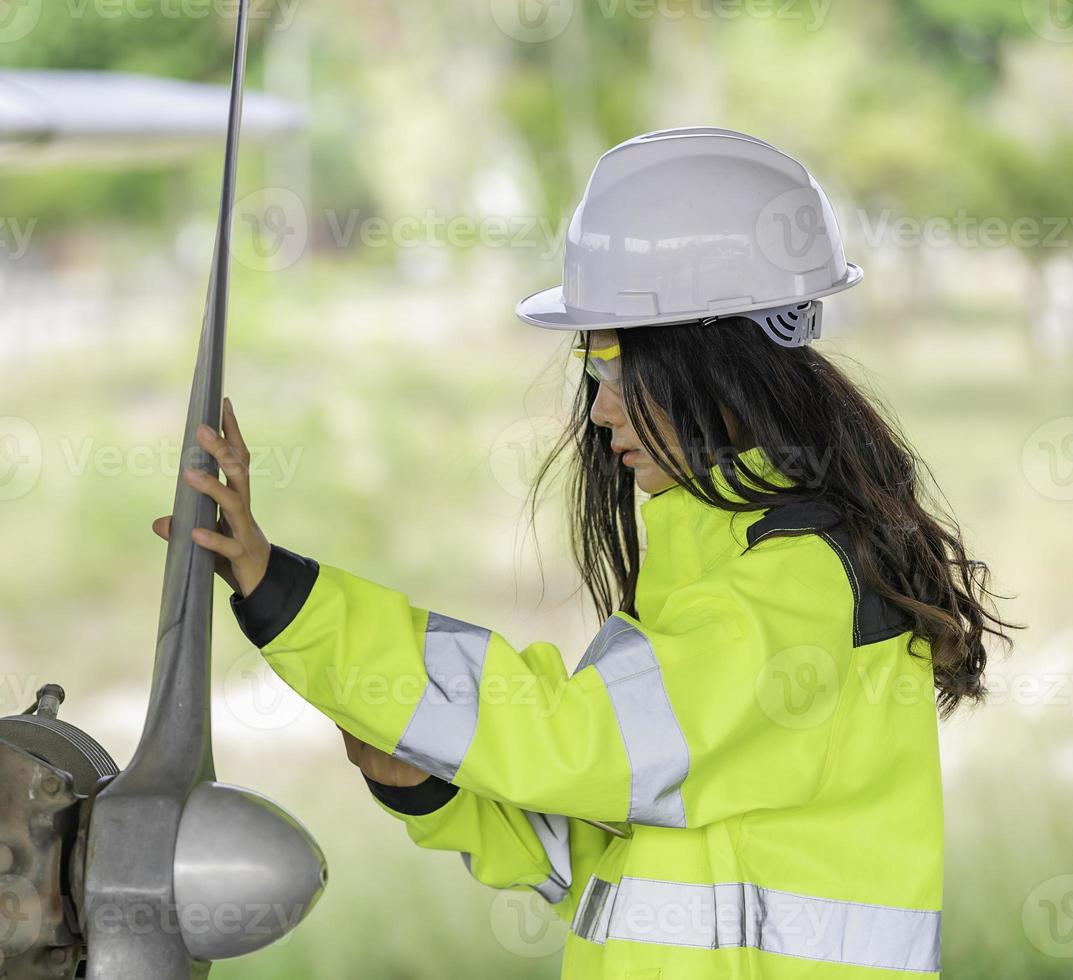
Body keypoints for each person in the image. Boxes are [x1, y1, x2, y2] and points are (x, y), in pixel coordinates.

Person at [152, 128, 1015, 978]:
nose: (599, 415)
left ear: (714, 363)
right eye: (590, 371)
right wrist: (430, 788)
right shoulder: (717, 573)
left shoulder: (797, 584)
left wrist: (292, 602)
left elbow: (577, 745)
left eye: (614, 367)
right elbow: (609, 863)